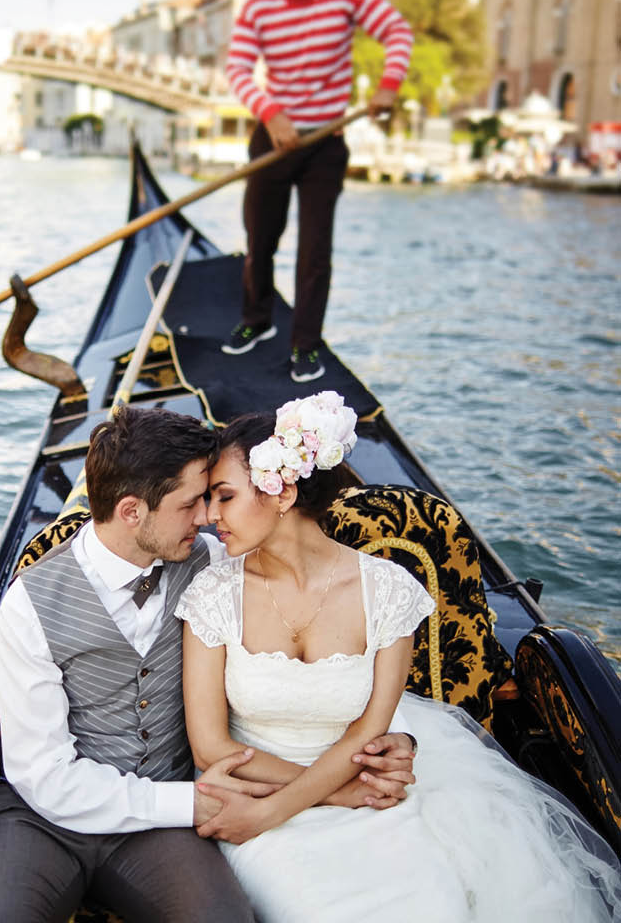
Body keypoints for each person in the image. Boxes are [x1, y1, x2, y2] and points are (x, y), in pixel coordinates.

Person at [0, 406, 417, 923]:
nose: (206, 519)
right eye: (191, 503)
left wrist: (392, 736)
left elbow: (322, 656)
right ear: (132, 512)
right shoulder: (29, 604)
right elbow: (43, 774)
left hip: (162, 830)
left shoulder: (215, 568)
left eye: (212, 499)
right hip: (44, 821)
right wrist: (187, 804)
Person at [176, 392, 621, 923]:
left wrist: (287, 804)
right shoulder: (213, 592)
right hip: (266, 799)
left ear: (283, 491)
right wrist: (331, 796)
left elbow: (369, 731)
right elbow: (210, 745)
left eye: (223, 496)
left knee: (434, 904)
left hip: (354, 793)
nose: (208, 516)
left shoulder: (386, 590)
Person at [222, 0, 413, 382]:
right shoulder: (259, 7)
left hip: (326, 141)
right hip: (274, 137)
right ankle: (256, 320)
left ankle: (305, 345)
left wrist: (389, 83)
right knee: (259, 239)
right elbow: (238, 70)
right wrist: (271, 113)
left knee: (314, 252)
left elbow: (397, 31)